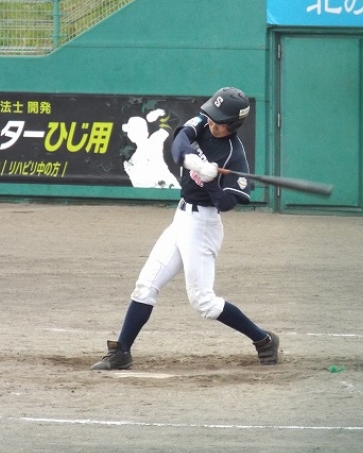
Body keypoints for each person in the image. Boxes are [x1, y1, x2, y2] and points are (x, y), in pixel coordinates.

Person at [90, 87, 279, 370]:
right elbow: (179, 142)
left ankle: (263, 340)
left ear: (233, 125)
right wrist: (195, 163)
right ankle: (122, 352)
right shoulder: (202, 122)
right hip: (181, 218)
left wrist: (212, 183)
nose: (211, 121)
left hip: (203, 226)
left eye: (219, 120)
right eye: (212, 115)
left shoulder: (234, 155)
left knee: (203, 302)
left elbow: (227, 203)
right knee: (145, 286)